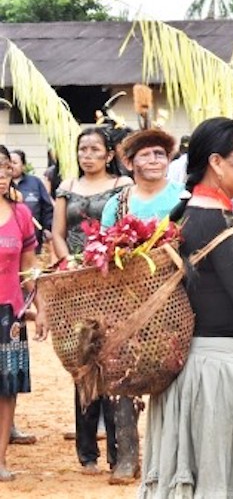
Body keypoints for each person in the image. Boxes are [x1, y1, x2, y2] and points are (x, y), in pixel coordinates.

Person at [139, 117, 233, 498]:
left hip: (187, 371)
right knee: (222, 483)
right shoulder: (221, 224)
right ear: (217, 163)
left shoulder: (180, 217)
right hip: (221, 376)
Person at [99, 127, 185, 485]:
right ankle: (127, 458)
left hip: (176, 301)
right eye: (146, 155)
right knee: (122, 376)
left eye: (161, 154)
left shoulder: (184, 197)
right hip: (126, 304)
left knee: (175, 376)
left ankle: (174, 458)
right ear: (130, 163)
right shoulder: (117, 202)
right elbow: (101, 249)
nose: (155, 160)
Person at [50, 127, 132, 477]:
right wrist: (69, 264)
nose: (88, 155)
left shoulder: (121, 188)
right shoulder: (67, 187)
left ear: (109, 154)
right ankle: (87, 454)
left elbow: (126, 228)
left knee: (113, 363)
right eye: (82, 149)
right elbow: (55, 233)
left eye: (95, 149)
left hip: (112, 281)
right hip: (75, 285)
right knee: (83, 364)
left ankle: (119, 451)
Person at [0, 147, 47, 482]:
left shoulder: (19, 213)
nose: (1, 174)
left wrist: (39, 307)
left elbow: (29, 268)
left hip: (10, 314)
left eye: (4, 168)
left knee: (6, 388)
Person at [10, 150, 53, 256]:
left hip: (33, 239)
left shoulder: (35, 182)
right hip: (9, 240)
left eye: (15, 163)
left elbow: (47, 207)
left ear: (23, 165)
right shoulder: (3, 184)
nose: (11, 166)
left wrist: (48, 228)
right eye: (8, 163)